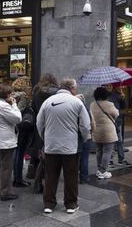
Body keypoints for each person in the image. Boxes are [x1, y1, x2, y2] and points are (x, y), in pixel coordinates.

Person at [36, 78, 90, 214]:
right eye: (75, 88)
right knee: (71, 175)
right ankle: (71, 205)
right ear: (72, 88)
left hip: (51, 146)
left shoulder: (47, 102)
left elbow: (39, 123)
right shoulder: (77, 102)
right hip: (70, 146)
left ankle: (49, 204)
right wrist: (84, 138)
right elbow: (85, 125)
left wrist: (45, 137)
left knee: (50, 176)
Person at [29, 74, 58, 193]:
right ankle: (47, 182)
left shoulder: (37, 93)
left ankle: (38, 182)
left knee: (39, 154)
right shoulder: (57, 94)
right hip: (53, 126)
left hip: (39, 126)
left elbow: (34, 110)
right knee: (51, 156)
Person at [90, 86, 120, 179]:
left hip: (96, 131)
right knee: (107, 152)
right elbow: (116, 114)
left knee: (99, 151)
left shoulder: (92, 104)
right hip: (108, 132)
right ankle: (103, 171)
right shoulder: (109, 104)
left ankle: (99, 170)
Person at [11, 76, 33, 187]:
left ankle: (16, 177)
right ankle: (18, 179)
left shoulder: (12, 95)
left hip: (14, 128)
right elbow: (19, 111)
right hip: (21, 127)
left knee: (17, 152)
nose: (30, 86)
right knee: (19, 153)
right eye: (28, 84)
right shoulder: (23, 96)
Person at [104, 84, 130, 166]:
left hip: (117, 121)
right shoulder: (106, 95)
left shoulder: (119, 95)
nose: (121, 88)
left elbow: (124, 106)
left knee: (119, 141)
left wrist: (123, 98)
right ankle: (110, 160)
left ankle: (121, 159)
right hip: (110, 121)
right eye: (108, 86)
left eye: (122, 86)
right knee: (111, 141)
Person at [75, 93, 95, 184]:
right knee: (85, 158)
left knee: (74, 158)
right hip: (86, 136)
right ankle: (84, 177)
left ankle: (73, 176)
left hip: (74, 137)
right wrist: (90, 133)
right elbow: (91, 124)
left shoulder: (72, 109)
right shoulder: (86, 109)